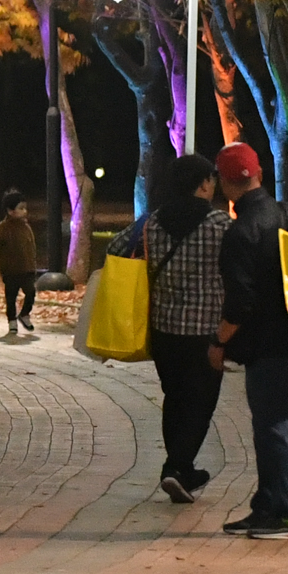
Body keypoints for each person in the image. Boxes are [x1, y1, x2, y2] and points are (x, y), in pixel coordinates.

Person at [207, 141, 288, 539]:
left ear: (224, 182)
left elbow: (240, 302)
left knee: (273, 428)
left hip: (269, 345)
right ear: (258, 174)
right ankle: (267, 507)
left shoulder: (241, 233)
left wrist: (218, 342)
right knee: (270, 427)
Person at [106, 154, 230, 501]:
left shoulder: (152, 222)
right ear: (204, 183)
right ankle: (176, 467)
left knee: (175, 398)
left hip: (164, 330)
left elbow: (116, 247)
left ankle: (184, 470)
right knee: (202, 402)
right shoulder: (220, 224)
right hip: (205, 332)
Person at [0, 188, 43, 338]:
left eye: (25, 208)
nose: (24, 211)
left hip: (27, 269)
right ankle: (12, 321)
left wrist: (33, 265)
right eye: (21, 208)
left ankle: (24, 314)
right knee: (11, 297)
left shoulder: (25, 226)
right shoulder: (4, 227)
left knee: (30, 292)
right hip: (11, 270)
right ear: (10, 211)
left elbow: (30, 247)